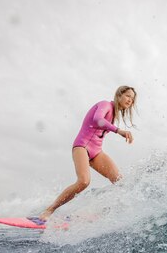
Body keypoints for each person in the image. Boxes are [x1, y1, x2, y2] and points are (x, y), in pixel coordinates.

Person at [31, 86, 137, 224]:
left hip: (97, 151)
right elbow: (97, 119)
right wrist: (119, 131)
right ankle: (49, 210)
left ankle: (105, 212)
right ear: (119, 95)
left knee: (120, 181)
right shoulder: (105, 105)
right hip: (82, 146)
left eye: (132, 99)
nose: (130, 100)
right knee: (84, 182)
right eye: (128, 96)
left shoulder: (114, 114)